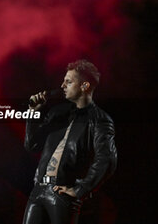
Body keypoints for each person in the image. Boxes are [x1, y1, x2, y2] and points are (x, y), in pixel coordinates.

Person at [23, 59, 117, 224]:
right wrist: (32, 113)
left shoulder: (100, 120)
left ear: (84, 86)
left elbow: (107, 159)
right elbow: (32, 145)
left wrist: (81, 189)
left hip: (62, 193)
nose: (62, 86)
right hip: (37, 190)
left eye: (68, 81)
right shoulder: (58, 113)